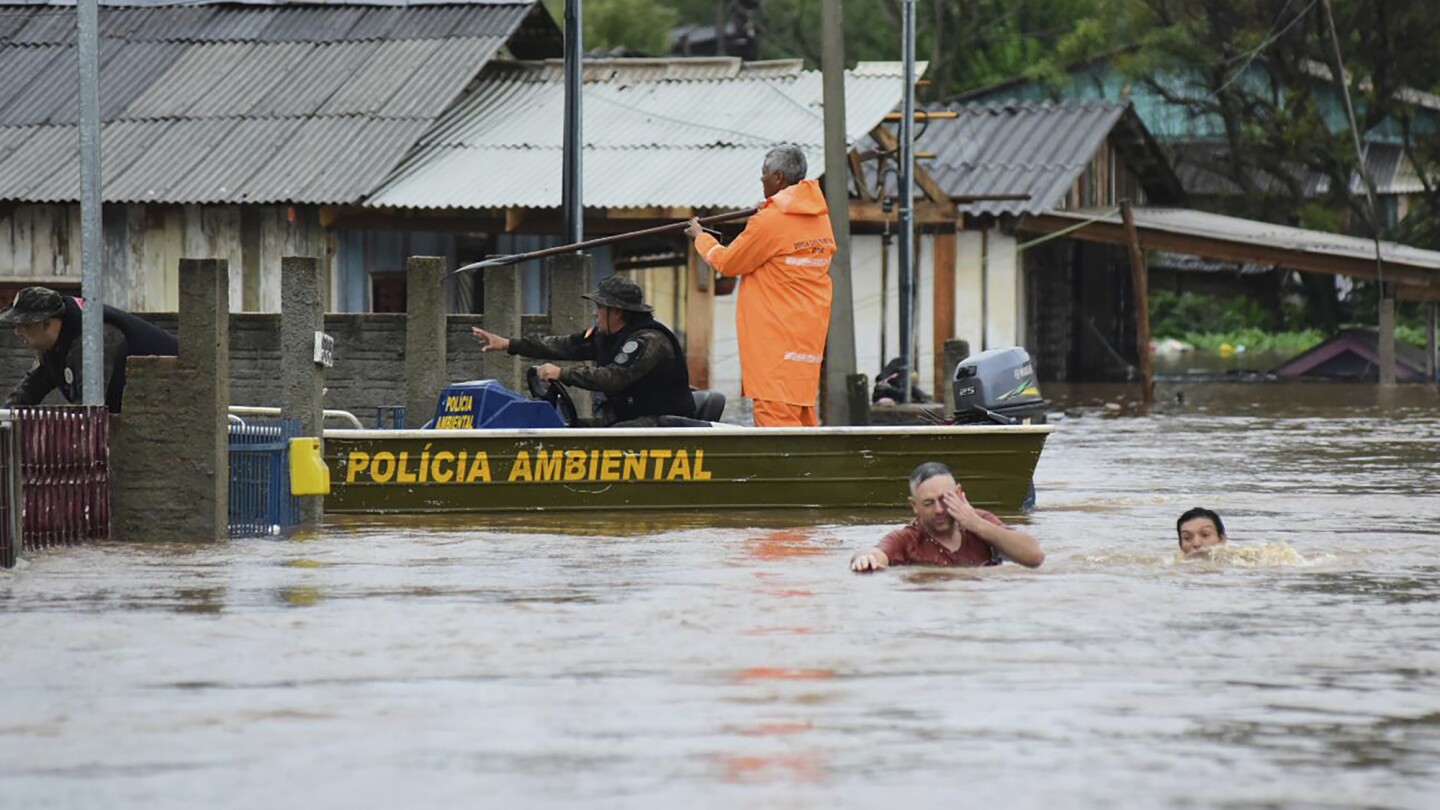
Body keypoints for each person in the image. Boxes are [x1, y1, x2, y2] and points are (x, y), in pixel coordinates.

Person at [683, 144, 835, 428]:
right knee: (802, 421)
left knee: (776, 432)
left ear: (778, 177)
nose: (760, 179)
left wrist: (700, 237)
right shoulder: (819, 218)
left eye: (764, 174)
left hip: (774, 345)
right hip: (805, 345)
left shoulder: (772, 220)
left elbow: (729, 263)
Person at [469, 275, 694, 427]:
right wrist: (509, 344)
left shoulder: (648, 341)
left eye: (600, 308)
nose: (595, 314)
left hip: (662, 423)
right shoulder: (606, 336)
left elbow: (613, 378)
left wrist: (561, 374)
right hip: (628, 417)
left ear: (616, 312)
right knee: (572, 429)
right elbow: (566, 345)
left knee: (605, 440)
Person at [2, 286, 179, 414]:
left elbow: (88, 411)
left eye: (23, 325)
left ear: (47, 323)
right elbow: (29, 390)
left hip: (173, 403)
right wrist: (5, 417)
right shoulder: (53, 344)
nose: (17, 332)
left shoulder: (92, 339)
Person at [850, 461, 1045, 572]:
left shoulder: (980, 522)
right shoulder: (908, 539)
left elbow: (1035, 557)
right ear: (914, 506)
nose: (939, 510)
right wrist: (864, 558)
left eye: (945, 499)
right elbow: (875, 553)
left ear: (959, 493)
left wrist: (978, 525)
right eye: (928, 503)